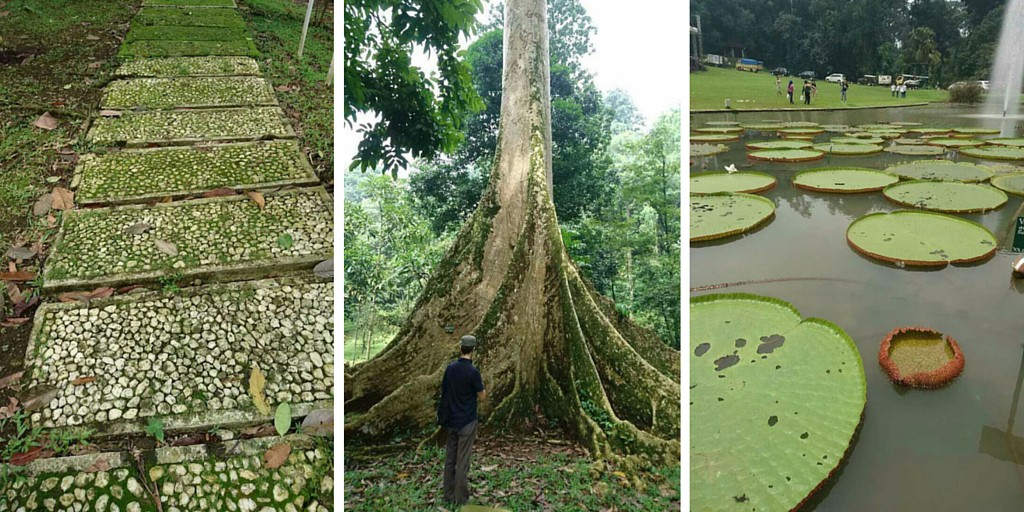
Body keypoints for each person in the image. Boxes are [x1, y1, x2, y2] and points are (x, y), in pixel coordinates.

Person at [439, 335, 486, 506]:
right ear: (473, 350)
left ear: (461, 349)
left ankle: (448, 494)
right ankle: (462, 500)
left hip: (451, 421)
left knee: (450, 460)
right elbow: (482, 397)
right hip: (466, 422)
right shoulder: (473, 372)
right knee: (462, 462)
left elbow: (444, 391)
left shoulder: (450, 369)